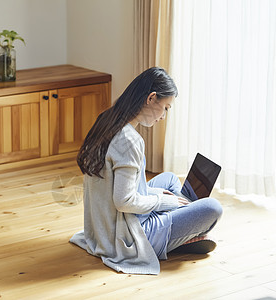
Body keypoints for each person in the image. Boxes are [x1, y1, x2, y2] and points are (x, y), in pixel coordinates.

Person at [70, 67, 222, 275]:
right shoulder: (129, 140)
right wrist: (164, 202)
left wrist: (158, 195)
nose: (163, 116)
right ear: (151, 98)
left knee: (168, 180)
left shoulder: (107, 119)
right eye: (166, 107)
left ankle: (183, 223)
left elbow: (118, 188)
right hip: (128, 232)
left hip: (103, 225)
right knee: (212, 208)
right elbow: (124, 201)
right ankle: (182, 231)